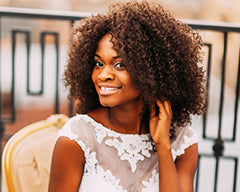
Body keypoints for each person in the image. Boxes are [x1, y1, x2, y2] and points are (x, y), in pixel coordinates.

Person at [48, 0, 206, 191]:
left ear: (151, 72)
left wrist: (163, 147)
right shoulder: (77, 138)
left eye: (119, 65)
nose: (103, 75)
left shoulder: (183, 141)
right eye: (98, 63)